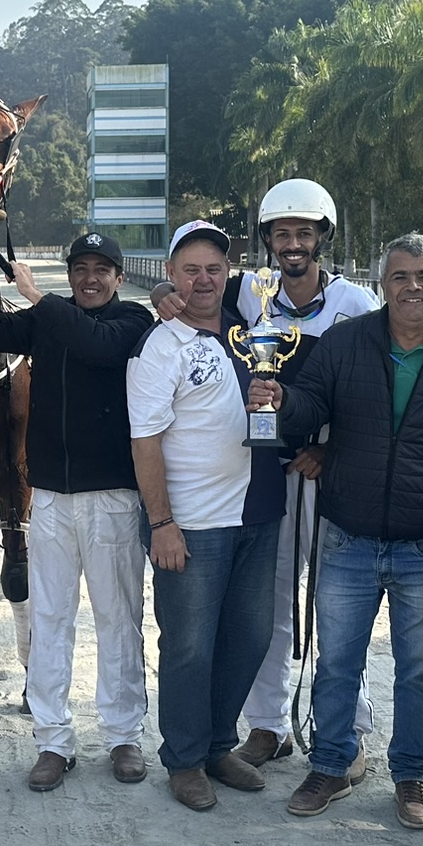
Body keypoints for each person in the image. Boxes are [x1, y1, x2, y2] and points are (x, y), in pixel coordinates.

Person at [252, 231, 423, 830]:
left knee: (418, 670)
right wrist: (281, 399)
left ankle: (411, 774)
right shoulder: (345, 343)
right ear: (383, 285)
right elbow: (311, 404)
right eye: (400, 276)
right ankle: (329, 764)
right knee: (337, 663)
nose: (412, 287)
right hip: (347, 536)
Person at [151, 180, 378, 770]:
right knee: (269, 608)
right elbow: (189, 287)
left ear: (322, 238)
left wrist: (331, 449)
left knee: (335, 604)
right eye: (282, 234)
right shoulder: (252, 293)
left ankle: (348, 728)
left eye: (304, 233)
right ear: (268, 241)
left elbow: (370, 393)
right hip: (267, 477)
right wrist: (162, 293)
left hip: (328, 474)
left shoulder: (356, 304)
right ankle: (268, 723)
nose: (292, 244)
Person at [0, 228, 155, 791]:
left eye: (101, 270)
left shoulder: (133, 321)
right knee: (49, 618)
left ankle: (124, 735)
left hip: (112, 497)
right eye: (80, 269)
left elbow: (97, 346)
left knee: (119, 619)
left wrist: (39, 300)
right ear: (70, 275)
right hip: (49, 498)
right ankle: (52, 740)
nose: (90, 279)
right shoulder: (49, 318)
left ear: (119, 278)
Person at [127, 221, 287, 811]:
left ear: (229, 273)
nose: (202, 280)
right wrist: (161, 523)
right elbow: (145, 441)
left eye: (213, 269)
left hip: (258, 514)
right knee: (190, 647)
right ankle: (185, 759)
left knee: (248, 637)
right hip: (192, 524)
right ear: (170, 274)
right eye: (190, 270)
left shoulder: (252, 331)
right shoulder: (158, 346)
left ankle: (220, 745)